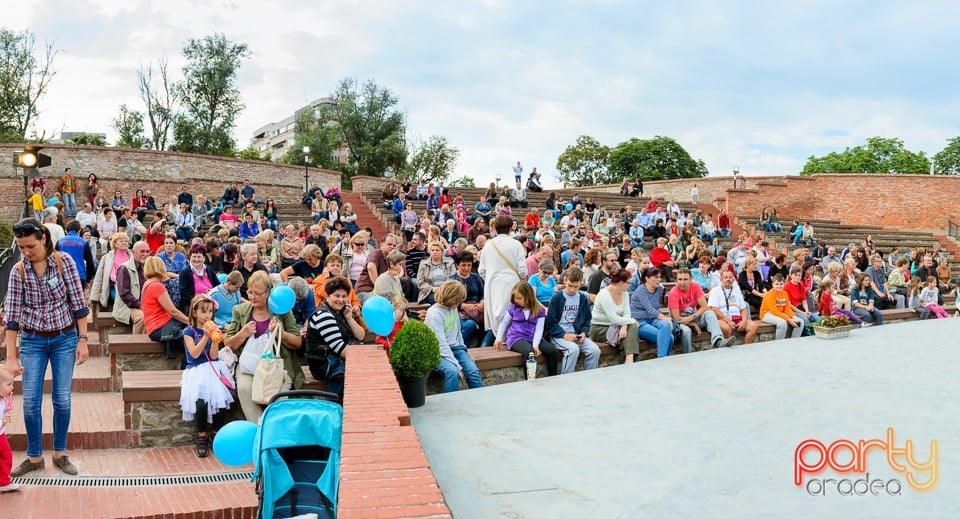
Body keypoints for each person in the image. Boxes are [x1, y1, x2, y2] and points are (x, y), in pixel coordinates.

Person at [4, 218, 90, 477]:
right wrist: (11, 355)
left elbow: (78, 303)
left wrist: (83, 339)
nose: (26, 252)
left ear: (43, 238)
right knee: (30, 402)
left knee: (62, 399)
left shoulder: (65, 263)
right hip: (32, 341)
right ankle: (34, 456)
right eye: (21, 247)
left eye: (30, 246)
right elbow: (12, 316)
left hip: (64, 338)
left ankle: (60, 453)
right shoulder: (18, 271)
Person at [223, 272, 304, 422]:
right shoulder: (240, 311)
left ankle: (273, 429)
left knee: (277, 397)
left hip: (276, 365)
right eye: (250, 292)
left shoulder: (282, 310)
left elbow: (297, 342)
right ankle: (259, 430)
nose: (252, 297)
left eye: (257, 293)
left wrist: (281, 333)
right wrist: (243, 333)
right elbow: (228, 344)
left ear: (267, 292)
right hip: (248, 365)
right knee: (244, 389)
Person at [178, 294, 235, 457]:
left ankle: (216, 433)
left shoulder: (213, 326)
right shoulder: (188, 331)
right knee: (201, 403)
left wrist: (216, 340)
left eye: (210, 311)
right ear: (194, 313)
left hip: (213, 367)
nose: (207, 315)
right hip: (196, 370)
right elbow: (194, 354)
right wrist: (205, 336)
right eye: (203, 312)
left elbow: (214, 355)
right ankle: (201, 435)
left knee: (221, 399)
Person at [305, 276, 364, 399]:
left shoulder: (341, 312)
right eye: (336, 296)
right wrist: (364, 360)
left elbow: (361, 335)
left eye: (344, 296)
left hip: (336, 357)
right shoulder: (323, 315)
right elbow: (342, 350)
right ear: (327, 296)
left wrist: (349, 318)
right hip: (323, 364)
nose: (341, 300)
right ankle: (335, 404)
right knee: (356, 373)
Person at [425, 281, 483, 392]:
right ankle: (452, 403)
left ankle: (479, 398)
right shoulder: (435, 314)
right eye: (457, 300)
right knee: (452, 371)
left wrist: (464, 352)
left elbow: (458, 333)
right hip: (436, 352)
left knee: (473, 371)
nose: (459, 303)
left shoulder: (453, 308)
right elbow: (441, 345)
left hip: (455, 348)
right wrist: (457, 366)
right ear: (451, 298)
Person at [494, 282, 558, 378]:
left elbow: (539, 329)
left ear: (528, 297)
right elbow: (504, 323)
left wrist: (536, 345)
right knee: (529, 352)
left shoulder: (540, 310)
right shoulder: (513, 308)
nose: (516, 301)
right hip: (516, 338)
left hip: (533, 337)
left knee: (551, 350)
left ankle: (553, 377)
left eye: (519, 298)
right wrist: (498, 338)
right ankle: (530, 378)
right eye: (515, 298)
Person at [545, 267, 600, 374]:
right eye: (570, 286)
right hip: (559, 335)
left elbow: (587, 320)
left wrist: (584, 333)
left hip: (577, 334)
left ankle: (591, 378)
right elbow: (550, 323)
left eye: (576, 287)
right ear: (565, 280)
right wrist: (564, 335)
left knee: (595, 350)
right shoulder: (557, 298)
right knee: (573, 350)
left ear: (581, 283)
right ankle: (566, 380)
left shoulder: (582, 298)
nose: (572, 290)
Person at [479, 216, 528, 336]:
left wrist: (491, 277)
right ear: (511, 228)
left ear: (495, 228)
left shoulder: (488, 245)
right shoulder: (516, 244)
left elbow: (481, 270)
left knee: (497, 316)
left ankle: (499, 340)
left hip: (493, 284)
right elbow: (522, 271)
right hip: (512, 284)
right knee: (510, 315)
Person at [141, 257, 191, 359]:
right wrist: (191, 321)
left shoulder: (147, 284)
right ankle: (185, 370)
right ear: (161, 268)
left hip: (153, 327)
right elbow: (173, 311)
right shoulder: (157, 286)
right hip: (160, 327)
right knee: (191, 340)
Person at [589, 269, 641, 363]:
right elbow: (613, 318)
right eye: (628, 283)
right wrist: (632, 321)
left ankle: (629, 360)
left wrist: (624, 326)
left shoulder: (624, 292)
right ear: (621, 282)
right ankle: (630, 361)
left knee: (630, 329)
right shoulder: (604, 294)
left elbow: (627, 313)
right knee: (631, 331)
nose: (630, 285)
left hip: (617, 325)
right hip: (600, 328)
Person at [630, 267, 675, 358]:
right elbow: (650, 309)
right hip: (640, 322)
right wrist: (666, 318)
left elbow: (656, 308)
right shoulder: (641, 290)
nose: (659, 280)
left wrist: (666, 320)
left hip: (653, 319)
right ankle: (662, 359)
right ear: (647, 278)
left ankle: (662, 359)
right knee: (669, 338)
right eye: (655, 277)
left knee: (665, 325)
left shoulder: (659, 289)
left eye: (659, 277)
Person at [707, 269, 759, 345]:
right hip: (722, 319)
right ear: (721, 279)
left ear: (733, 279)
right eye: (726, 277)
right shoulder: (715, 291)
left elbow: (743, 308)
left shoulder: (737, 291)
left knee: (754, 326)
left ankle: (745, 348)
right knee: (726, 328)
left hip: (737, 318)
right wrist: (728, 321)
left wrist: (744, 322)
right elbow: (713, 308)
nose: (728, 279)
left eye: (730, 277)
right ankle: (726, 350)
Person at [113, 241, 151, 334]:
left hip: (145, 304)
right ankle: (137, 346)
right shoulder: (124, 268)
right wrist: (141, 306)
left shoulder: (149, 267)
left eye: (147, 251)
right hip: (127, 307)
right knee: (142, 317)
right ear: (133, 252)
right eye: (142, 251)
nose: (145, 254)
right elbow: (125, 294)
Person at [178, 243, 221, 314]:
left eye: (199, 256)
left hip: (211, 303)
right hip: (193, 305)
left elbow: (217, 286)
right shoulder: (184, 273)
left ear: (204, 258)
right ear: (190, 257)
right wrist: (202, 298)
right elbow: (184, 294)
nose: (196, 259)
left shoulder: (208, 269)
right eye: (194, 256)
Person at [759, 274, 804, 340]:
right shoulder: (769, 295)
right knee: (782, 323)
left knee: (800, 322)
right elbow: (774, 311)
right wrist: (788, 319)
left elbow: (787, 309)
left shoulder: (785, 293)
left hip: (779, 313)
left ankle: (794, 342)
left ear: (784, 284)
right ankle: (779, 344)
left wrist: (793, 316)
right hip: (767, 314)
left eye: (781, 284)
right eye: (777, 284)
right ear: (772, 284)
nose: (779, 286)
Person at [56, 221, 96, 287]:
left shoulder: (59, 242)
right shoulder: (84, 242)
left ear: (66, 231)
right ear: (79, 230)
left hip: (63, 276)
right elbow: (90, 263)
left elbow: (55, 260)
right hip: (79, 275)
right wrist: (88, 280)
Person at [0, 365, 20, 491]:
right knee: (6, 455)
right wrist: (1, 422)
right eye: (9, 384)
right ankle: (3, 482)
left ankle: (3, 481)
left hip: (1, 435)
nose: (12, 387)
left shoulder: (2, 399)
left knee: (5, 455)